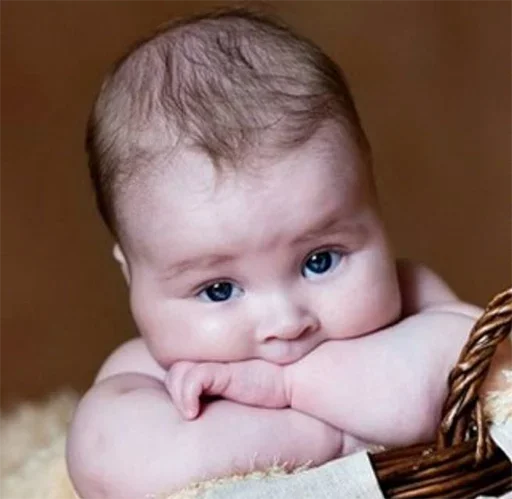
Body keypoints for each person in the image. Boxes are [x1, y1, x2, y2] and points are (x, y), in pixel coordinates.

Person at [66, 7, 510, 498]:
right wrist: (324, 436)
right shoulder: (142, 377)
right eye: (218, 290)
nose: (284, 322)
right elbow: (109, 464)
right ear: (133, 276)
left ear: (372, 209)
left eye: (320, 260)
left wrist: (285, 387)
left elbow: (452, 386)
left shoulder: (417, 298)